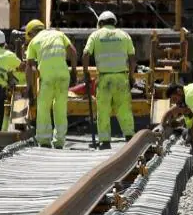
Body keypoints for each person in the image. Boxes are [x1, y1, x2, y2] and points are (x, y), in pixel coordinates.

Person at [80, 10, 136, 149]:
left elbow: (86, 54)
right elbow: (132, 58)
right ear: (114, 22)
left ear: (100, 23)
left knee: (103, 111)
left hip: (104, 79)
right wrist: (131, 76)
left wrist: (86, 73)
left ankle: (105, 142)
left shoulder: (95, 35)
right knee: (124, 110)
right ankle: (130, 138)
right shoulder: (124, 35)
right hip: (121, 77)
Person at [24, 18, 77, 149]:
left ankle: (44, 140)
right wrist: (74, 71)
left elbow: (29, 66)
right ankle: (59, 141)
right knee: (60, 108)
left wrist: (30, 88)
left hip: (47, 78)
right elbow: (73, 52)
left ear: (31, 33)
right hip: (63, 77)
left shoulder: (34, 42)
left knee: (43, 107)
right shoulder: (59, 34)